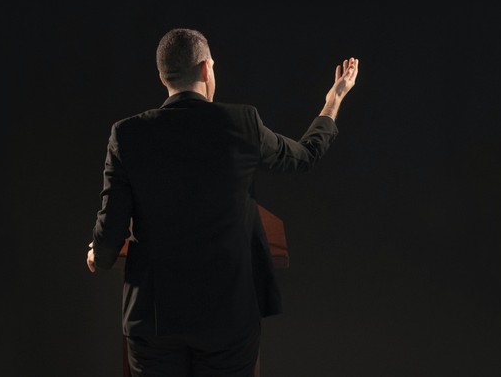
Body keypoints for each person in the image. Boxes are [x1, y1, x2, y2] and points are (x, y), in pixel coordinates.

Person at [87, 27, 358, 377]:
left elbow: (110, 229)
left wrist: (99, 253)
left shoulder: (127, 134)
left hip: (153, 319)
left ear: (162, 76)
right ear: (205, 69)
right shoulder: (242, 123)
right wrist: (333, 100)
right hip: (227, 317)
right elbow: (304, 156)